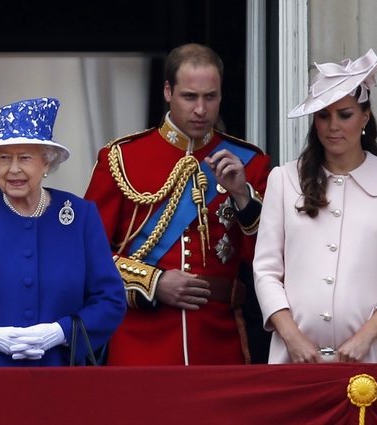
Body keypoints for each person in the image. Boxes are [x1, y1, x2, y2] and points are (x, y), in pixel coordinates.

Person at [84, 43, 271, 365]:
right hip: (139, 340)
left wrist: (242, 196)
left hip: (218, 341)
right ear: (168, 91)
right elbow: (86, 255)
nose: (201, 109)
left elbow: (268, 260)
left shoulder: (250, 164)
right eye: (190, 96)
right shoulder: (122, 158)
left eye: (210, 97)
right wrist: (153, 282)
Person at [0, 97, 126, 366]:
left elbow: (110, 301)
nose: (14, 169)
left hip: (60, 375)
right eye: (4, 158)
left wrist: (61, 332)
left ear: (47, 163)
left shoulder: (80, 216)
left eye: (25, 158)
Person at [253, 48, 377, 363]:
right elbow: (266, 270)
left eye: (345, 114)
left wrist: (366, 337)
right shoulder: (284, 180)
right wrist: (292, 337)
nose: (333, 126)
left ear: (365, 117)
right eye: (323, 115)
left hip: (367, 358)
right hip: (294, 358)